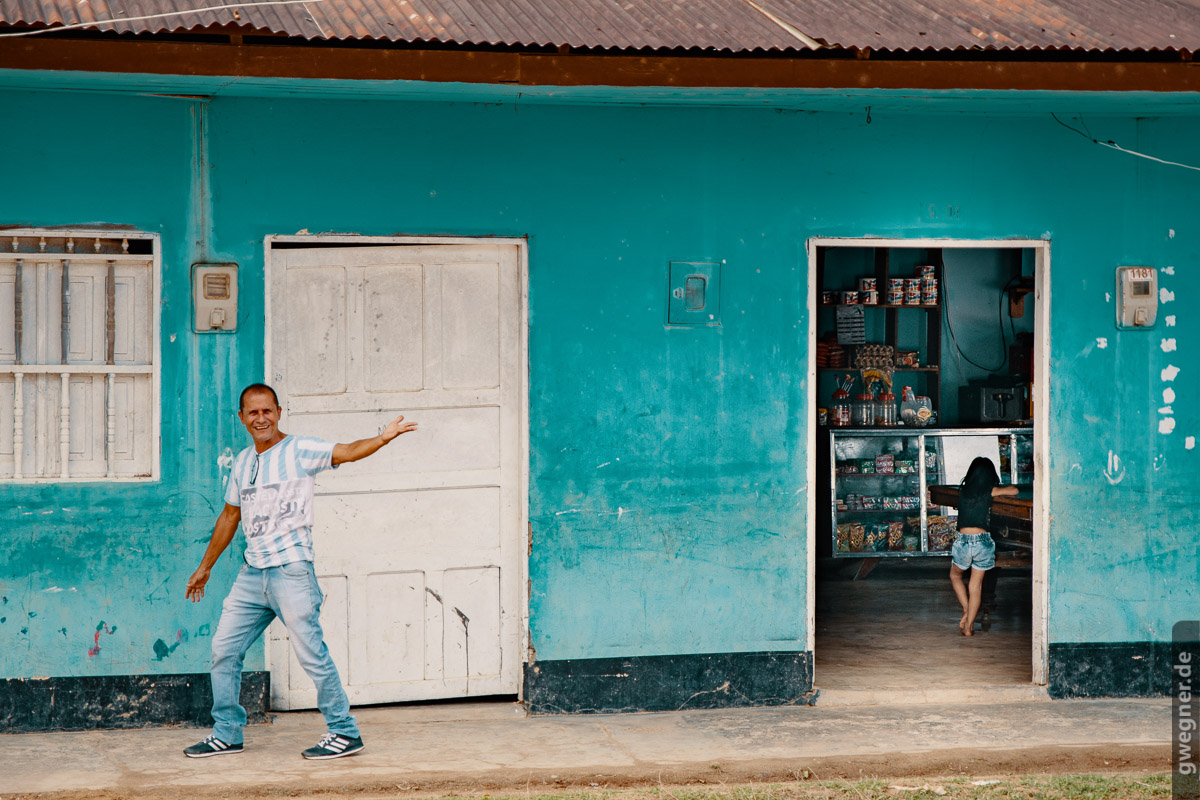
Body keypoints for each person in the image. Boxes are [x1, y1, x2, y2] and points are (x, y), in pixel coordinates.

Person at [183, 383, 417, 759]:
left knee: (311, 654)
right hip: (252, 574)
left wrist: (383, 438)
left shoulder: (300, 449)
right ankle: (227, 733)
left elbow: (347, 451)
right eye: (253, 413)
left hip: (291, 572)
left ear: (278, 412)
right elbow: (230, 516)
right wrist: (204, 567)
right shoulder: (243, 462)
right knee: (224, 651)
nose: (261, 418)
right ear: (241, 418)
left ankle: (344, 731)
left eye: (267, 411)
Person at [949, 457, 1018, 637]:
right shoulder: (990, 491)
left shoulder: (962, 491)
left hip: (963, 540)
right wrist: (996, 489)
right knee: (975, 586)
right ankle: (969, 626)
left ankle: (966, 609)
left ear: (971, 474)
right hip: (983, 541)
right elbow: (1014, 490)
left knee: (955, 575)